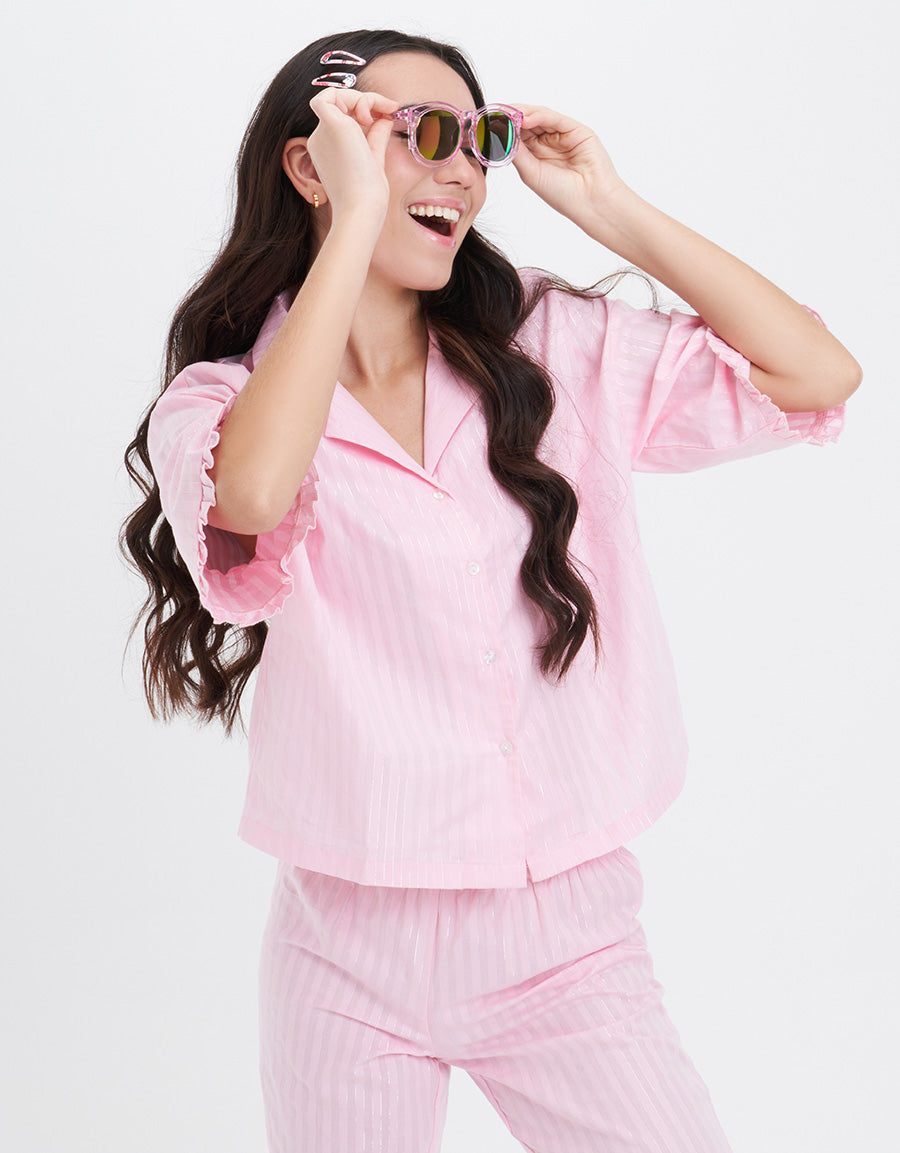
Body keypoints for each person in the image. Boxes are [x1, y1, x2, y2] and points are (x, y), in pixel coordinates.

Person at [121, 27, 861, 1153]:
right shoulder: (220, 401)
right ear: (312, 163)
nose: (463, 168)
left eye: (480, 139)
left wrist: (608, 206)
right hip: (341, 954)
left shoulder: (549, 348)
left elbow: (816, 372)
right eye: (422, 134)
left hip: (566, 941)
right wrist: (355, 223)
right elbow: (257, 494)